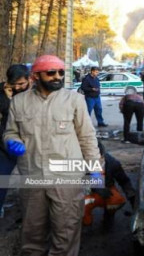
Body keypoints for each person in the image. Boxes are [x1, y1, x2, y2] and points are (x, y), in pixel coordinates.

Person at [4, 55, 101, 255]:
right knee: (32, 236)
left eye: (60, 72)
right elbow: (10, 131)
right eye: (51, 73)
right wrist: (11, 141)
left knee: (66, 233)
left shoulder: (74, 100)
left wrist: (95, 168)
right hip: (33, 176)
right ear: (35, 76)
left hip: (67, 178)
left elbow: (87, 137)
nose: (57, 77)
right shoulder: (19, 102)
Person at [0, 65, 30, 218]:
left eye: (21, 84)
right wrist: (8, 98)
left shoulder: (34, 93)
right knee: (2, 177)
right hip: (6, 143)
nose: (18, 87)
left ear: (29, 79)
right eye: (14, 84)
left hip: (30, 144)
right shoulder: (2, 92)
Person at [83, 142, 136, 226]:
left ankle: (108, 216)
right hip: (86, 192)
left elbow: (124, 181)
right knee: (81, 204)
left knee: (116, 200)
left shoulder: (112, 163)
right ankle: (85, 223)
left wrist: (133, 199)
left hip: (107, 190)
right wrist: (96, 188)